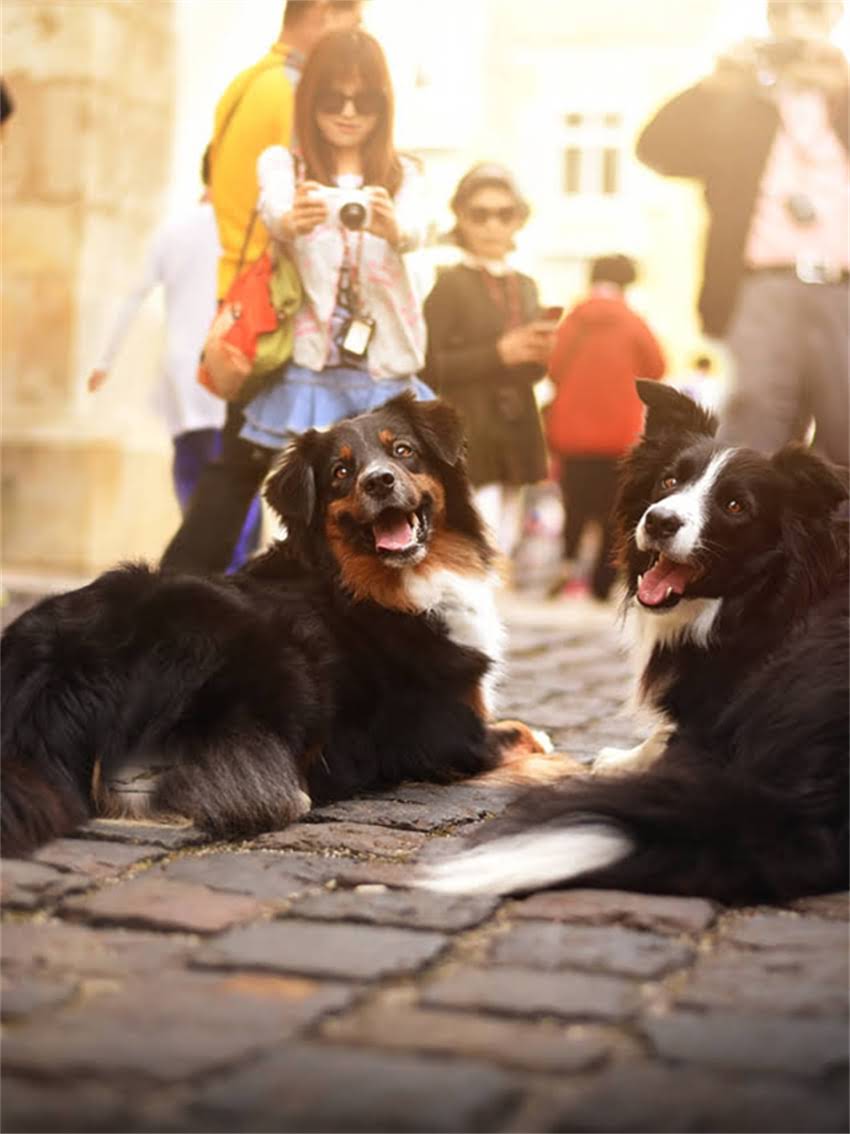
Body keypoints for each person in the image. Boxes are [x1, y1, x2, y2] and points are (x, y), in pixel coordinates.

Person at [162, 27, 432, 573]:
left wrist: (391, 224)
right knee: (247, 473)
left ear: (385, 103)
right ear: (310, 98)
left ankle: (362, 594)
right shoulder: (284, 166)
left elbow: (421, 229)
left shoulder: (404, 173)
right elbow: (272, 213)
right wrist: (291, 220)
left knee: (371, 483)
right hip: (296, 351)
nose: (349, 113)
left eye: (366, 99)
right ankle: (175, 593)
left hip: (376, 359)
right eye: (334, 97)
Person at [636, 0, 849, 468]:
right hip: (764, 286)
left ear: (832, 18)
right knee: (755, 431)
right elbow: (655, 147)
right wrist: (717, 85)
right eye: (784, 11)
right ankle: (753, 538)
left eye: (810, 10)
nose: (796, 22)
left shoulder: (844, 96)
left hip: (843, 286)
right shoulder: (742, 105)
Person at [86, 148, 261, 572]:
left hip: (184, 371)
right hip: (232, 366)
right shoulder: (247, 230)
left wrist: (103, 361)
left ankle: (212, 564)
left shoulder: (174, 230)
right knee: (236, 471)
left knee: (195, 466)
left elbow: (132, 296)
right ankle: (229, 568)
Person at [422, 163, 554, 560]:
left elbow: (532, 371)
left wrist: (538, 354)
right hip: (470, 428)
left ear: (519, 220)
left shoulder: (525, 283)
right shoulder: (448, 282)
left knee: (504, 539)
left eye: (504, 214)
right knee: (475, 538)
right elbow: (427, 366)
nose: (492, 225)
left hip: (516, 426)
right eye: (480, 214)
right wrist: (498, 353)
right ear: (460, 217)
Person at [211, 0, 364, 300]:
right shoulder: (298, 93)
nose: (358, 37)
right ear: (325, 11)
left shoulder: (248, 81)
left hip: (231, 282)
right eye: (355, 24)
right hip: (269, 295)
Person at [545, 254, 666, 602]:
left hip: (571, 433)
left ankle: (567, 562)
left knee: (575, 505)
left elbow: (553, 368)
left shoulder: (574, 320)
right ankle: (603, 579)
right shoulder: (633, 322)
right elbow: (657, 367)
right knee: (614, 511)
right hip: (618, 435)